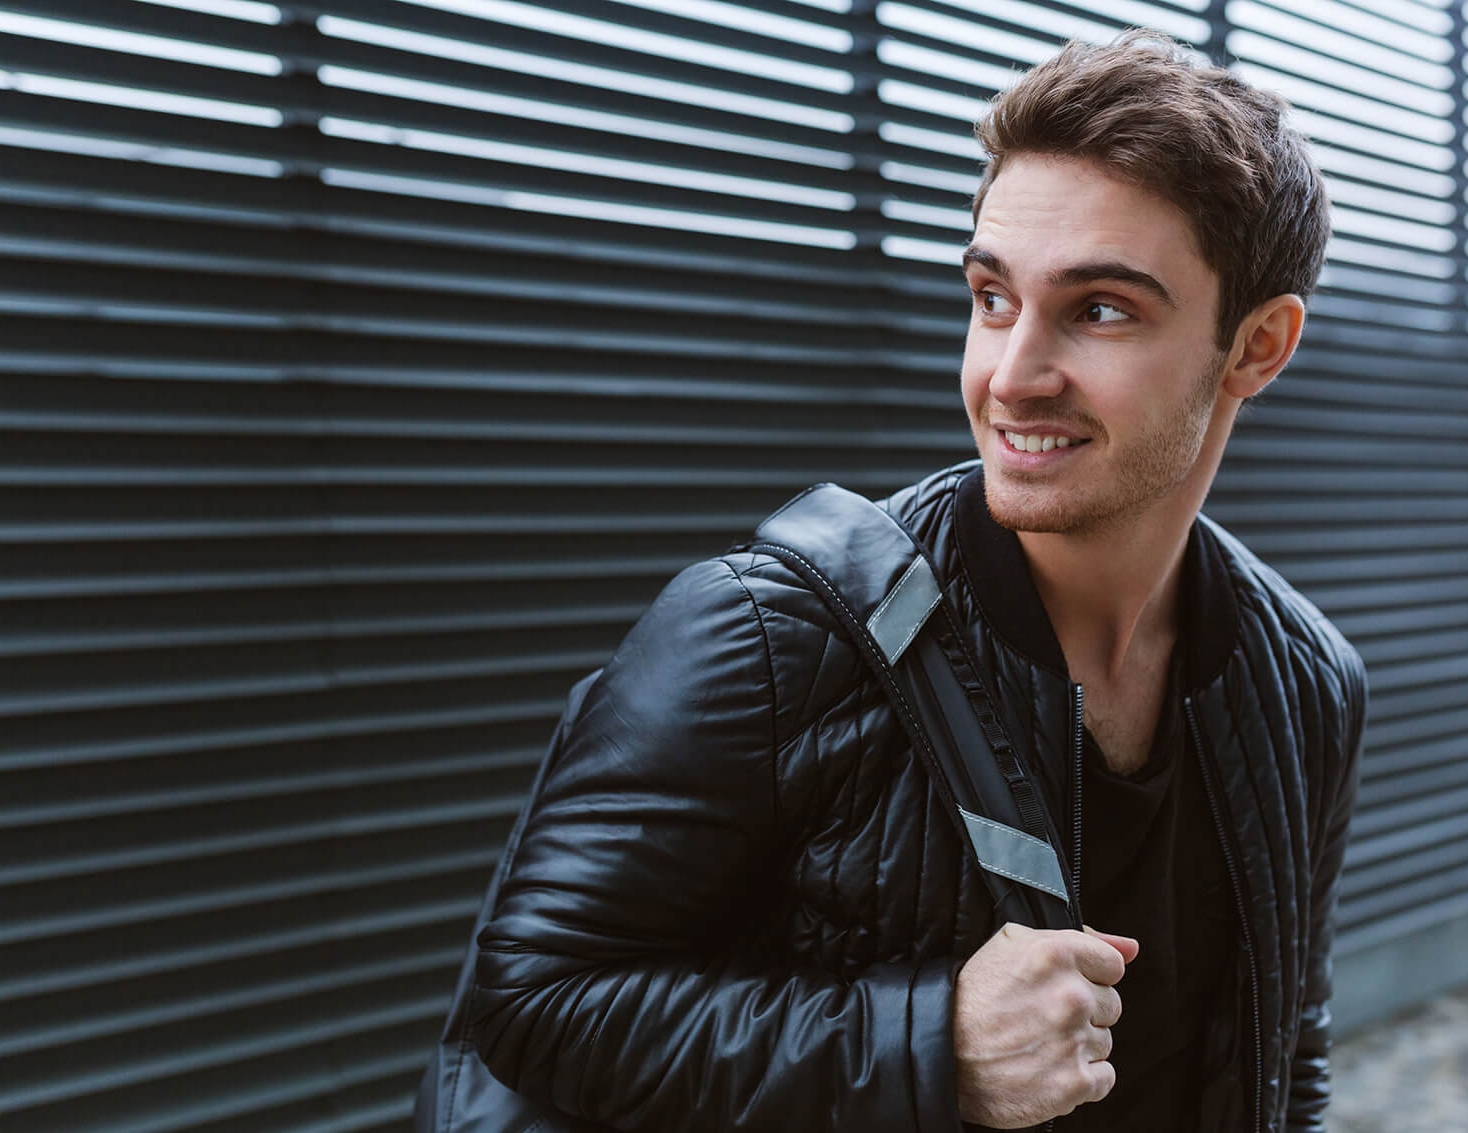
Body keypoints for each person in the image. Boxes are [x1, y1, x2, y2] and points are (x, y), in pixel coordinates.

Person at [467, 29, 1366, 1133]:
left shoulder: (1305, 683)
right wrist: (930, 1045)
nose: (1011, 376)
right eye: (992, 297)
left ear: (1257, 346)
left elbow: (1287, 1044)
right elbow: (531, 999)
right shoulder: (768, 635)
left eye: (1098, 308)